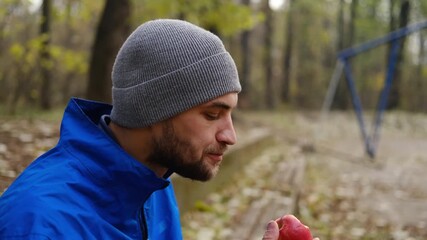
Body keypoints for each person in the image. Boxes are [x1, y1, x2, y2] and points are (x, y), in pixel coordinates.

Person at [0, 19, 315, 240]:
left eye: (229, 114)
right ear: (153, 108)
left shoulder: (152, 184)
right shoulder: (36, 226)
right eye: (212, 114)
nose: (230, 136)